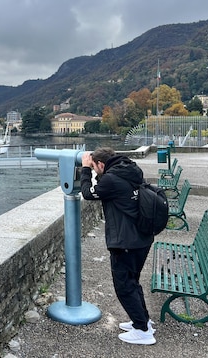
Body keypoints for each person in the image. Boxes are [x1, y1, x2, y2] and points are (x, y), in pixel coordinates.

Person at [80, 147, 156, 345]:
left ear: (101, 164)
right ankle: (143, 321)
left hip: (126, 242)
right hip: (141, 238)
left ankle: (143, 331)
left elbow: (88, 193)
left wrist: (85, 169)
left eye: (95, 167)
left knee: (124, 286)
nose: (95, 171)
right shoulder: (129, 170)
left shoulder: (111, 180)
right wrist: (91, 167)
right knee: (133, 282)